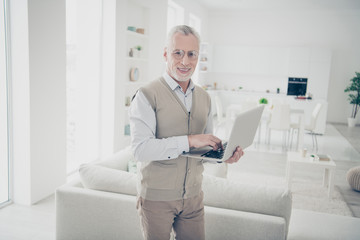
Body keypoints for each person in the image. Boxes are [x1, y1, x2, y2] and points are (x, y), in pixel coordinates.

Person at [129, 25, 244, 240]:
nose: (185, 61)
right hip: (156, 199)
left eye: (192, 54)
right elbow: (140, 150)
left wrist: (222, 156)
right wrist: (190, 139)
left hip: (193, 197)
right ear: (165, 54)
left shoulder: (204, 97)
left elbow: (204, 147)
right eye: (177, 53)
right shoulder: (146, 95)